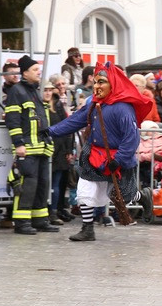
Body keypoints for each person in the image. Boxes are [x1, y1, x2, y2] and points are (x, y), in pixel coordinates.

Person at [48, 62, 154, 242]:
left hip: (116, 156)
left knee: (122, 195)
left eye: (102, 82)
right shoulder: (93, 103)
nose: (97, 86)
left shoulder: (123, 108)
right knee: (85, 190)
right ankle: (87, 229)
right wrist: (51, 131)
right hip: (94, 154)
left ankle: (142, 195)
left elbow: (131, 137)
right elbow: (76, 120)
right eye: (95, 82)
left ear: (112, 84)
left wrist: (119, 159)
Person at [3, 55, 58, 235]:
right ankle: (21, 222)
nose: (38, 72)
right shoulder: (16, 91)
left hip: (41, 147)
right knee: (27, 184)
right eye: (35, 69)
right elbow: (13, 120)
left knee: (42, 184)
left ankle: (40, 219)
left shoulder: (34, 91)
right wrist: (18, 144)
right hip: (27, 148)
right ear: (25, 73)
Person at [46, 75, 75, 224]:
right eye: (45, 90)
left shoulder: (57, 105)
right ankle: (47, 211)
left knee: (57, 183)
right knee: (48, 183)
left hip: (60, 149)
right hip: (47, 149)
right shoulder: (40, 106)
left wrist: (69, 150)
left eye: (49, 90)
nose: (48, 93)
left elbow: (67, 127)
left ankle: (55, 212)